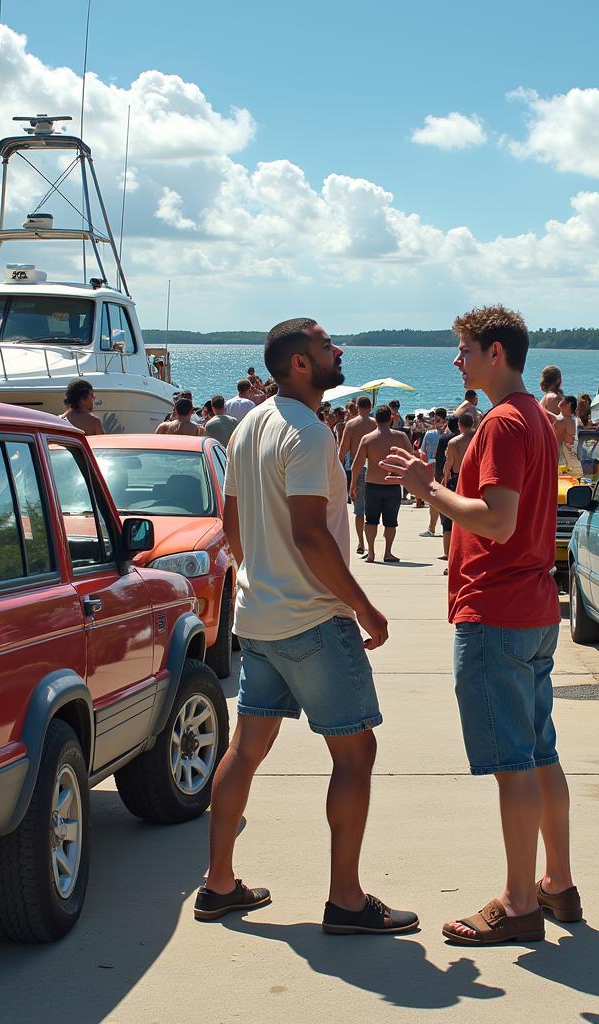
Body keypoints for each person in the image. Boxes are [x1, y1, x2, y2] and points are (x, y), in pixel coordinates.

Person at [197, 317, 417, 935]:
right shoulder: (309, 434)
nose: (337, 350)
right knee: (355, 752)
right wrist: (365, 607)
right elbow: (311, 535)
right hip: (312, 618)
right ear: (299, 363)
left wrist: (257, 576)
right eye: (326, 346)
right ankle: (345, 900)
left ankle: (218, 884)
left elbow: (232, 525)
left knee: (246, 749)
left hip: (259, 616)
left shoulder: (249, 427)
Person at [381, 304, 577, 946]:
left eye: (463, 348)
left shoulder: (500, 425)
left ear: (496, 353)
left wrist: (426, 486)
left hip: (496, 609)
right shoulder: (539, 420)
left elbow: (495, 519)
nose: (456, 360)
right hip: (534, 608)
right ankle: (555, 884)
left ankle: (520, 903)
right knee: (539, 750)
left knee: (514, 762)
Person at [351, 405, 414, 563]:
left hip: (372, 484)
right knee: (391, 522)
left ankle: (371, 553)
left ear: (376, 420)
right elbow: (411, 460)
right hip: (393, 484)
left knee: (371, 520)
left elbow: (356, 465)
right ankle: (388, 553)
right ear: (391, 418)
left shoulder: (368, 438)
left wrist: (352, 485)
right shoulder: (400, 437)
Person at [339, 396, 377, 555]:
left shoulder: (351, 424)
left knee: (359, 509)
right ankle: (371, 544)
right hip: (375, 468)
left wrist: (336, 467)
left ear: (357, 407)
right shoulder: (376, 423)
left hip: (357, 467)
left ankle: (361, 542)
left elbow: (343, 450)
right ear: (370, 407)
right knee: (372, 509)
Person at [439, 413, 476, 572]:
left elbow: (449, 465)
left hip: (456, 480)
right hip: (474, 480)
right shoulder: (477, 439)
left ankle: (449, 561)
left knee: (449, 522)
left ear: (459, 425)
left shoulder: (454, 442)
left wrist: (444, 481)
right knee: (471, 522)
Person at [419, 408, 447, 537]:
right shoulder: (450, 434)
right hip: (447, 468)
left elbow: (422, 452)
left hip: (432, 467)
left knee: (434, 498)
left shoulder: (430, 434)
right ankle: (447, 528)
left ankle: (432, 527)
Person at [435, 415, 458, 561]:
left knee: (447, 520)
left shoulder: (445, 439)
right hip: (462, 478)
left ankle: (446, 552)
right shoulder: (470, 437)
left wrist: (438, 478)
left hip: (449, 479)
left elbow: (440, 460)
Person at [555, 394, 582, 473]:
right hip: (571, 461)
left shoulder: (562, 421)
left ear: (568, 404)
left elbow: (556, 443)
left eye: (563, 400)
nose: (560, 401)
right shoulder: (575, 420)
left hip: (561, 462)